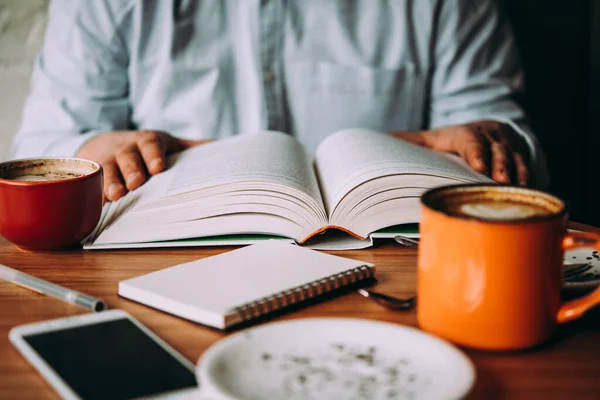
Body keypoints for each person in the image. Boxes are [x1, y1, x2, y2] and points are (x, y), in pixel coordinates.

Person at [12, 0, 548, 201]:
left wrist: (489, 142)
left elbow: (513, 154)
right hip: (162, 272)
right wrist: (96, 148)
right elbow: (40, 151)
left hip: (401, 275)